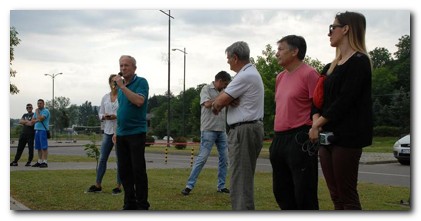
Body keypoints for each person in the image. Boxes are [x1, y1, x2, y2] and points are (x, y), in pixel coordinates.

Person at [309, 11, 373, 210]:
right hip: (326, 137)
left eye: (332, 28)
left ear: (345, 29)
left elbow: (344, 100)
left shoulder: (360, 62)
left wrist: (317, 125)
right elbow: (317, 99)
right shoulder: (330, 67)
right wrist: (315, 121)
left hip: (348, 137)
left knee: (347, 196)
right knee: (335, 195)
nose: (329, 33)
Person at [212, 41, 264, 210]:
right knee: (242, 179)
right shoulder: (249, 74)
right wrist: (228, 99)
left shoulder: (244, 76)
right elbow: (223, 101)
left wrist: (223, 100)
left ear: (235, 57)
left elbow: (217, 104)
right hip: (248, 129)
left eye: (228, 58)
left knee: (240, 181)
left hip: (243, 131)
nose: (227, 62)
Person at [269, 35, 320, 210]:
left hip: (300, 138)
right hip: (279, 138)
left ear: (295, 51)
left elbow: (319, 105)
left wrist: (315, 127)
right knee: (281, 191)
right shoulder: (280, 77)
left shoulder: (310, 74)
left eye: (281, 49)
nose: (277, 54)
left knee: (304, 192)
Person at [181, 71, 232, 196]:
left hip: (221, 130)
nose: (225, 87)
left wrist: (225, 97)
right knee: (202, 158)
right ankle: (189, 185)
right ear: (219, 81)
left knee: (224, 159)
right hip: (208, 129)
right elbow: (207, 104)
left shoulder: (225, 91)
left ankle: (221, 186)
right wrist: (222, 97)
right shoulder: (206, 89)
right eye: (224, 84)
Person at [113, 55, 150, 210]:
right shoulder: (121, 89)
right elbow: (121, 110)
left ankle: (142, 204)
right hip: (121, 134)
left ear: (134, 67)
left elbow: (139, 101)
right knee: (124, 170)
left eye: (126, 65)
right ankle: (129, 203)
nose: (123, 68)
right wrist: (116, 131)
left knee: (138, 170)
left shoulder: (141, 82)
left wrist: (122, 87)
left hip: (136, 133)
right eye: (121, 65)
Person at [86, 74, 122, 195]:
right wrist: (104, 116)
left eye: (116, 82)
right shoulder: (105, 97)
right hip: (107, 131)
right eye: (112, 82)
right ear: (109, 83)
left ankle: (118, 186)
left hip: (119, 131)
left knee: (119, 160)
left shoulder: (122, 96)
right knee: (102, 159)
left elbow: (125, 113)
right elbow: (100, 113)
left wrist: (116, 116)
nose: (114, 84)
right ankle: (98, 185)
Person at [31, 99, 50, 168]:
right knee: (38, 147)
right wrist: (37, 119)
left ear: (43, 104)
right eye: (38, 103)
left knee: (44, 147)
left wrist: (37, 113)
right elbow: (32, 120)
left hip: (43, 130)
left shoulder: (46, 111)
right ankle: (39, 161)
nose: (39, 105)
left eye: (40, 103)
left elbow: (41, 118)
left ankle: (45, 162)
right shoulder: (37, 111)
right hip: (37, 130)